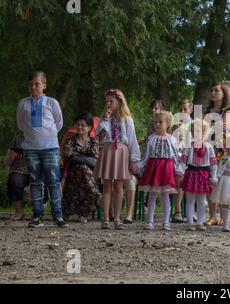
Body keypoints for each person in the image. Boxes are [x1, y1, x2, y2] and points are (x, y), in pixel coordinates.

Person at [17, 70, 66, 228]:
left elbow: (59, 123)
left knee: (53, 181)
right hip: (30, 149)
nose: (33, 86)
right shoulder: (23, 103)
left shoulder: (52, 103)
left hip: (50, 148)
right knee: (35, 182)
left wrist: (47, 136)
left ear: (44, 85)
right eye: (31, 84)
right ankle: (37, 216)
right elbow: (20, 123)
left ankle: (58, 215)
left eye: (37, 84)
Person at [94, 89, 140, 230]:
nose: (108, 104)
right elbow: (100, 136)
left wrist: (134, 159)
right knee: (107, 186)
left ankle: (118, 218)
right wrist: (106, 119)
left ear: (119, 103)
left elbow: (132, 140)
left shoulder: (127, 119)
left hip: (121, 153)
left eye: (111, 101)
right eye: (106, 101)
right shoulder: (104, 119)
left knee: (119, 187)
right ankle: (106, 218)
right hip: (108, 151)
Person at [139, 111, 180, 231]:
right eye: (155, 122)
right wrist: (140, 165)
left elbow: (175, 156)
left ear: (168, 124)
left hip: (166, 168)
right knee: (151, 194)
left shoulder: (172, 139)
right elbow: (146, 156)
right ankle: (150, 221)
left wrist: (178, 170)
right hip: (153, 168)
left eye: (160, 122)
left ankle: (166, 221)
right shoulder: (151, 139)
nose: (157, 124)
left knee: (165, 195)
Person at [203, 82, 230, 226]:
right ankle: (212, 216)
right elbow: (202, 128)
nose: (213, 92)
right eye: (212, 90)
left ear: (224, 93)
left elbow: (224, 127)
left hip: (223, 149)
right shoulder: (207, 110)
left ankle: (224, 216)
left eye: (216, 90)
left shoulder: (229, 109)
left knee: (222, 182)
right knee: (211, 181)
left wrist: (209, 126)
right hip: (209, 148)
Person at [177, 119, 217, 231]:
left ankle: (200, 222)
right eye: (194, 130)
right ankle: (190, 222)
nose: (197, 133)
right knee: (190, 199)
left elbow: (213, 164)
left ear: (205, 132)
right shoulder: (188, 146)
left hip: (204, 175)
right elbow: (183, 161)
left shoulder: (209, 147)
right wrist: (180, 173)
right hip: (191, 174)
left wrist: (213, 176)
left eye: (200, 131)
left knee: (201, 200)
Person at [62, 113, 101, 223]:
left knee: (84, 170)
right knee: (82, 169)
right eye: (78, 124)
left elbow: (94, 156)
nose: (79, 127)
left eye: (83, 125)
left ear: (89, 128)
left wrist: (78, 155)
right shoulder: (71, 140)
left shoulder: (94, 141)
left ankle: (79, 213)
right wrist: (85, 155)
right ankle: (96, 196)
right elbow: (68, 155)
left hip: (91, 174)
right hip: (72, 173)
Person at [171, 99, 194, 223]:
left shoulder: (193, 124)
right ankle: (178, 211)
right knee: (179, 181)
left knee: (191, 182)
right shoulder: (175, 125)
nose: (183, 112)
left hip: (190, 157)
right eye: (180, 109)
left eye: (185, 109)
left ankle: (190, 211)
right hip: (178, 157)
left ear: (190, 110)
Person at [3, 135, 29, 220]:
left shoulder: (42, 136)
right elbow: (6, 162)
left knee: (48, 179)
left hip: (36, 169)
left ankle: (38, 213)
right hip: (19, 169)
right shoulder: (18, 140)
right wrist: (11, 156)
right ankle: (19, 212)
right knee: (15, 180)